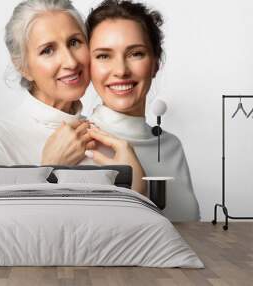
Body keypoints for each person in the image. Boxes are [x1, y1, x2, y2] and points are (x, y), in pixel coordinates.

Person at [0, 0, 146, 194]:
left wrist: (135, 187)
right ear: (22, 66)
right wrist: (48, 168)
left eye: (74, 42)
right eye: (48, 50)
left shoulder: (108, 138)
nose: (71, 62)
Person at [82, 0, 200, 221]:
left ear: (155, 63)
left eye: (135, 53)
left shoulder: (171, 146)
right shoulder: (78, 144)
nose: (121, 71)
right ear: (88, 66)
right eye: (103, 56)